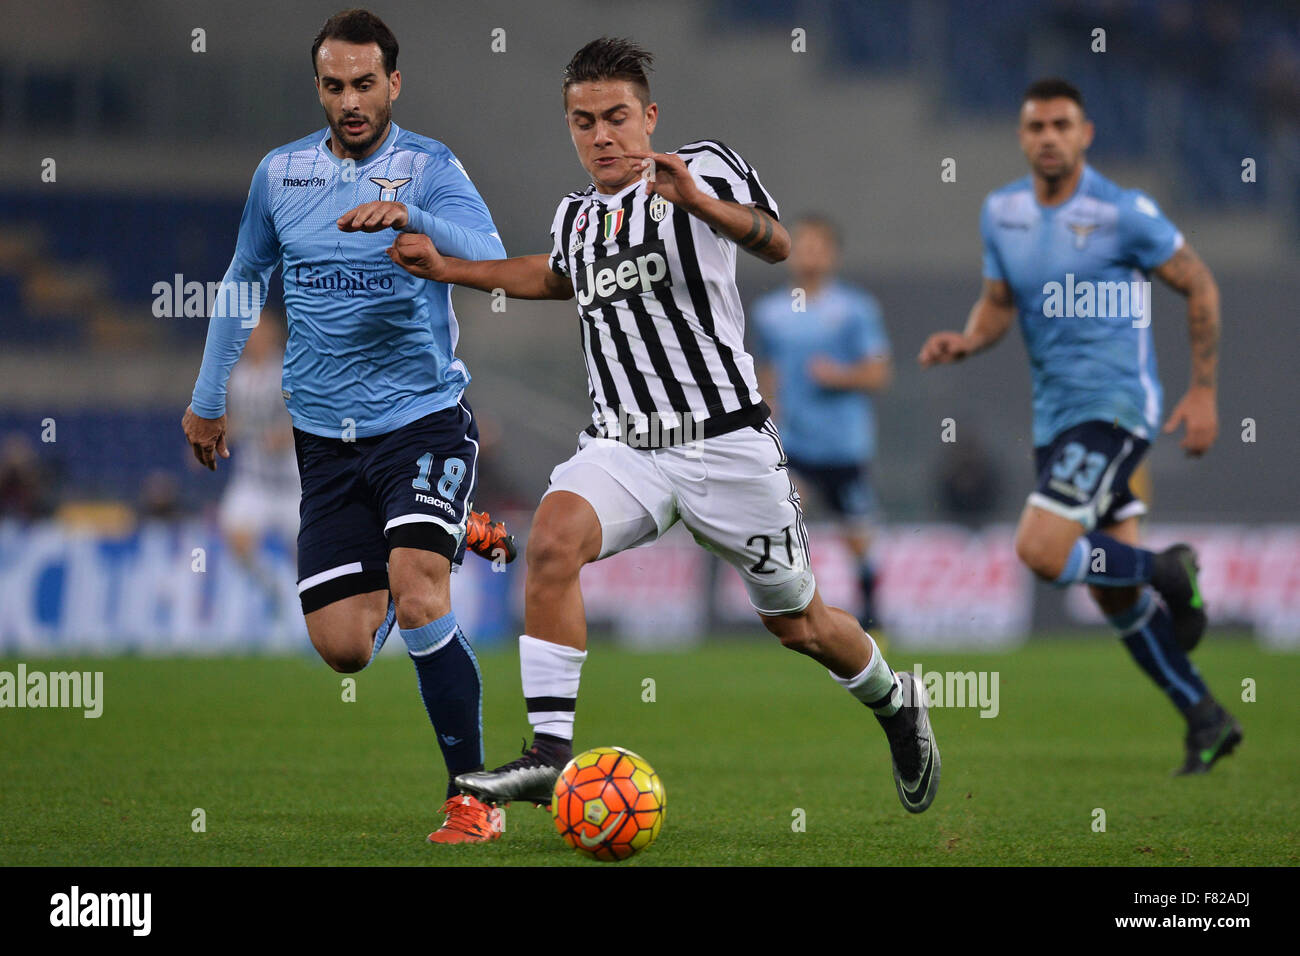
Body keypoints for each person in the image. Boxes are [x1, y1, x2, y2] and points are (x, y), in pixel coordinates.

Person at [385, 37, 940, 816]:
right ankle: (549, 753)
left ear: (649, 117)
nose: (601, 136)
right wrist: (451, 268)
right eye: (584, 122)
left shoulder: (702, 167)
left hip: (727, 442)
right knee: (551, 543)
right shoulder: (577, 216)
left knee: (801, 623)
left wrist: (701, 204)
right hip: (624, 446)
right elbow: (551, 275)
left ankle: (894, 702)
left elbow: (776, 244)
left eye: (616, 118)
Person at [182, 9, 517, 844]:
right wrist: (208, 395)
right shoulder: (280, 174)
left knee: (417, 587)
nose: (350, 100)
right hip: (325, 441)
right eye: (334, 85)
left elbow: (489, 249)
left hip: (423, 421)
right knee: (343, 647)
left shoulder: (430, 167)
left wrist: (413, 222)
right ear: (320, 88)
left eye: (365, 84)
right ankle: (446, 528)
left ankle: (472, 798)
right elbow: (242, 280)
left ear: (393, 83)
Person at [919, 78, 1240, 775]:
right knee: (1113, 595)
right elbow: (999, 303)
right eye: (1036, 126)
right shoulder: (1000, 212)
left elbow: (1199, 283)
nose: (1049, 137)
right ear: (1022, 135)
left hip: (1117, 411)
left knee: (1039, 550)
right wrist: (969, 341)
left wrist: (1206, 392)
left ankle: (1168, 569)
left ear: (1086, 134)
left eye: (1062, 124)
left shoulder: (1125, 213)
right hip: (1055, 422)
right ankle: (1206, 717)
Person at [751, 216, 892, 628]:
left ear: (833, 254)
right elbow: (768, 372)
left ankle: (872, 617)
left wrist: (840, 376)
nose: (809, 253)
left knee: (859, 538)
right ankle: (792, 614)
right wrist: (766, 411)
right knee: (782, 521)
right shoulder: (771, 312)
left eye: (818, 245)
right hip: (793, 442)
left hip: (844, 444)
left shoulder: (855, 309)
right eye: (803, 244)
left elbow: (879, 374)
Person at [216, 312, 301, 639]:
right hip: (252, 480)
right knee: (236, 537)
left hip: (291, 484)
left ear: (272, 335)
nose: (251, 338)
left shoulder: (288, 370)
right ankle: (272, 587)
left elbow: (307, 416)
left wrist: (286, 435)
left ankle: (305, 617)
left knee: (305, 558)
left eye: (257, 332)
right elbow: (237, 421)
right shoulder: (237, 376)